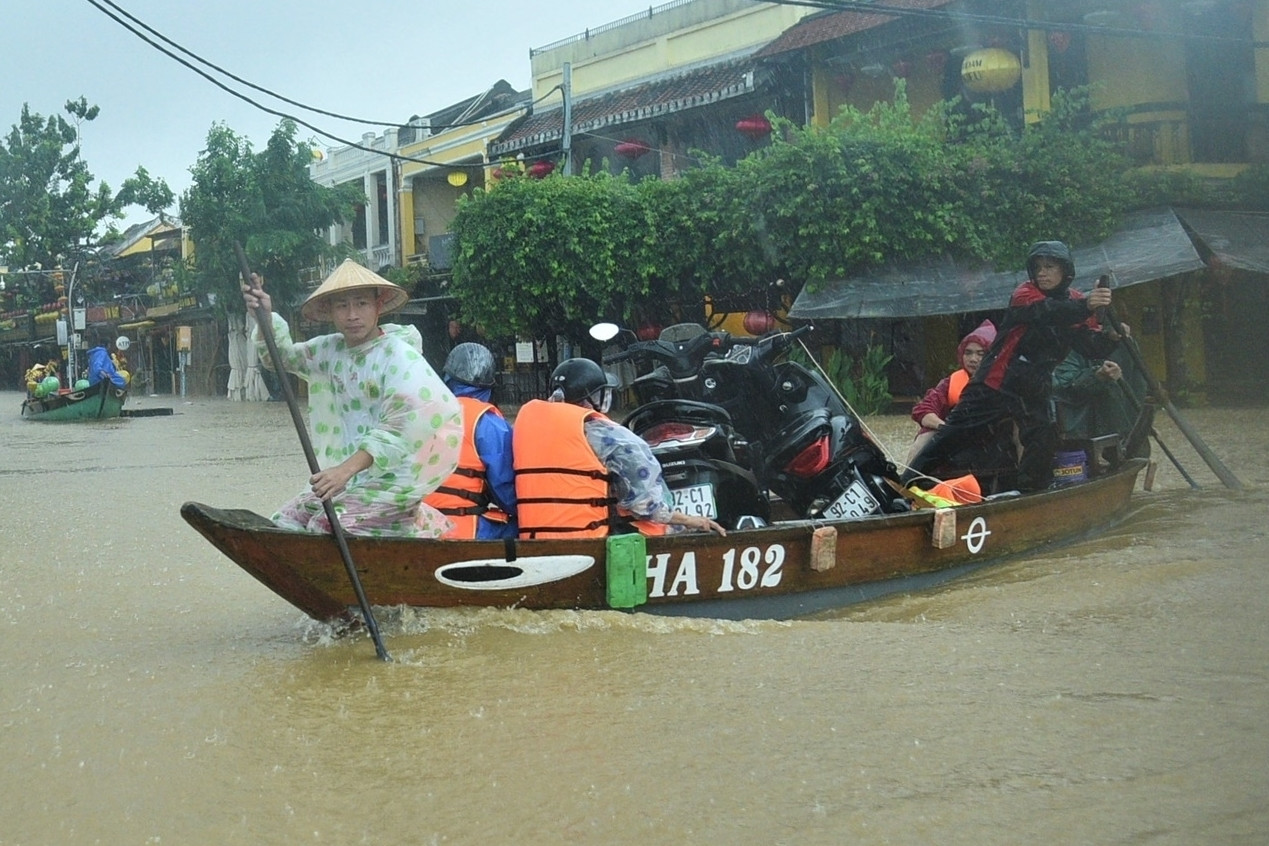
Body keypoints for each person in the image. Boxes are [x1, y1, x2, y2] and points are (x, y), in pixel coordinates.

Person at [241, 259, 462, 538]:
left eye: (361, 304)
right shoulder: (329, 350)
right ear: (330, 311)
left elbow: (402, 424)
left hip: (394, 476)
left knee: (324, 526)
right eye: (342, 306)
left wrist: (343, 471)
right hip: (352, 476)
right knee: (286, 521)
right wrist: (264, 316)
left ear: (378, 306)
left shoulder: (398, 355)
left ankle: (409, 523)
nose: (352, 315)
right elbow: (279, 357)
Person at [903, 241, 1123, 492]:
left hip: (1034, 384)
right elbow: (1048, 312)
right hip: (996, 382)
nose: (1042, 273)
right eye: (1038, 267)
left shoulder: (1074, 302)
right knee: (953, 434)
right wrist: (1086, 305)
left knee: (1043, 439)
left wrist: (1112, 337)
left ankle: (1030, 493)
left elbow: (1088, 346)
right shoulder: (1025, 294)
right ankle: (906, 482)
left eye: (1049, 267)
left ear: (1065, 272)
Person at [513, 357, 726, 539]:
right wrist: (690, 520)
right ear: (595, 398)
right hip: (589, 541)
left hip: (536, 539)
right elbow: (646, 506)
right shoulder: (607, 435)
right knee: (660, 526)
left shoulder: (525, 427)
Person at [422, 342, 518, 539]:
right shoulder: (490, 424)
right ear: (489, 384)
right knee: (519, 524)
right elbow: (505, 491)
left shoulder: (425, 413)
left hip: (421, 526)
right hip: (464, 530)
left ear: (447, 378)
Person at [905, 319, 996, 466]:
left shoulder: (1004, 382)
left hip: (991, 439)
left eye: (980, 354)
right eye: (968, 353)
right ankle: (906, 480)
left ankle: (1028, 481)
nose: (973, 359)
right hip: (953, 436)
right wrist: (945, 428)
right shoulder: (949, 383)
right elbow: (923, 410)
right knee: (927, 433)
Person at [1053, 345, 1152, 459]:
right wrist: (1097, 376)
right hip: (1083, 435)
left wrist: (1144, 424)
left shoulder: (1125, 343)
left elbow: (1139, 387)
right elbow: (1061, 387)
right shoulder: (1068, 343)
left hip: (1124, 433)